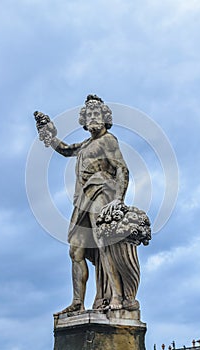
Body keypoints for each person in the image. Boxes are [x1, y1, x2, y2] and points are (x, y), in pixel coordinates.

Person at [35, 95, 134, 312]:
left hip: (101, 192)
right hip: (83, 198)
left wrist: (118, 199)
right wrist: (50, 135)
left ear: (105, 117)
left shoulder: (108, 140)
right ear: (84, 120)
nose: (92, 118)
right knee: (76, 250)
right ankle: (77, 302)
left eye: (96, 114)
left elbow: (122, 169)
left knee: (103, 244)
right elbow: (66, 150)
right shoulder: (87, 143)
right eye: (89, 115)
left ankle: (116, 296)